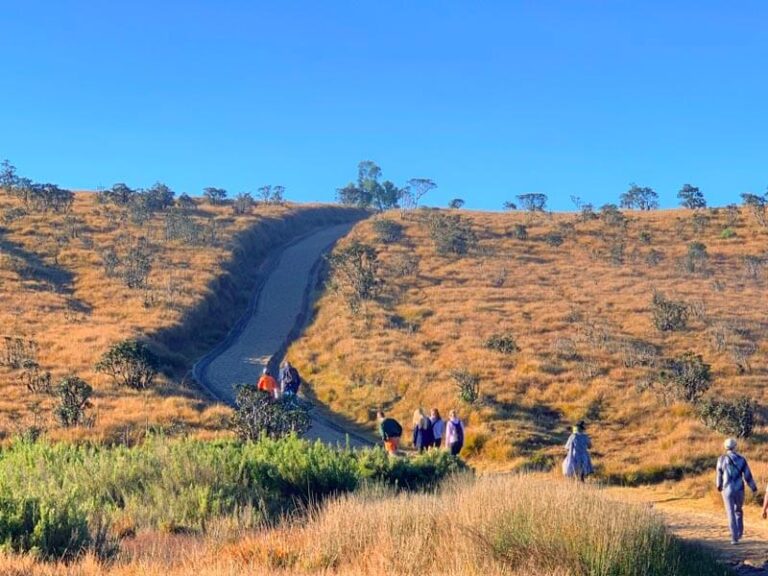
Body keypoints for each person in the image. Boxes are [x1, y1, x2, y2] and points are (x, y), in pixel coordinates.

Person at [717, 438, 757, 545]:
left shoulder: (721, 459)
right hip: (739, 489)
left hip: (727, 489)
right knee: (738, 510)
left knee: (730, 512)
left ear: (725, 447)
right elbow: (747, 475)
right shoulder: (742, 459)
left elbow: (719, 474)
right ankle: (739, 533)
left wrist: (719, 485)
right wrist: (753, 487)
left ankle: (734, 538)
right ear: (735, 446)